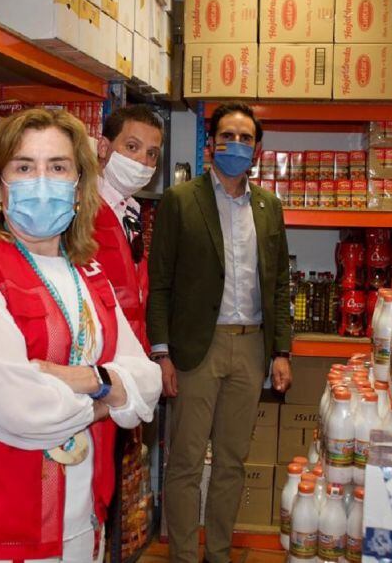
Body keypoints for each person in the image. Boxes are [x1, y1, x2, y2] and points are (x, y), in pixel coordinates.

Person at [0, 108, 162, 563]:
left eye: (58, 167)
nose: (42, 180)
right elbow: (18, 408)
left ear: (78, 186)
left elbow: (146, 381)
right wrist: (111, 395)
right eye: (24, 167)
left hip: (83, 523)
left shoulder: (90, 273)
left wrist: (92, 380)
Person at [147, 102, 293, 563]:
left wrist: (282, 351)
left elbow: (281, 284)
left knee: (232, 462)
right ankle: (186, 556)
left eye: (245, 138)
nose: (235, 144)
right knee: (187, 463)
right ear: (211, 144)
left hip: (251, 347)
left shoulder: (269, 207)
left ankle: (220, 554)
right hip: (196, 349)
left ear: (258, 150)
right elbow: (161, 281)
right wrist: (162, 353)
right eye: (226, 136)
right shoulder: (180, 200)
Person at [94, 104, 165, 352]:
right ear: (104, 147)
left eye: (152, 153)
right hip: (99, 350)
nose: (142, 161)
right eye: (132, 147)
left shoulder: (132, 210)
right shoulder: (81, 210)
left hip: (132, 348)